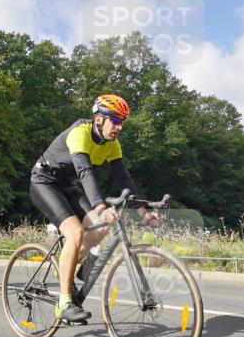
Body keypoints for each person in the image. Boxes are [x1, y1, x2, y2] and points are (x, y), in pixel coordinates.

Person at [30, 93, 162, 323]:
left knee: (103, 225)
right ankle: (64, 303)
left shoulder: (112, 144)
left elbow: (124, 179)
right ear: (99, 119)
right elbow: (85, 172)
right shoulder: (79, 133)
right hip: (43, 183)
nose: (120, 127)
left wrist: (144, 211)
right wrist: (100, 206)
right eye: (116, 121)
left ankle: (69, 266)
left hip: (66, 186)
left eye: (123, 122)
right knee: (76, 233)